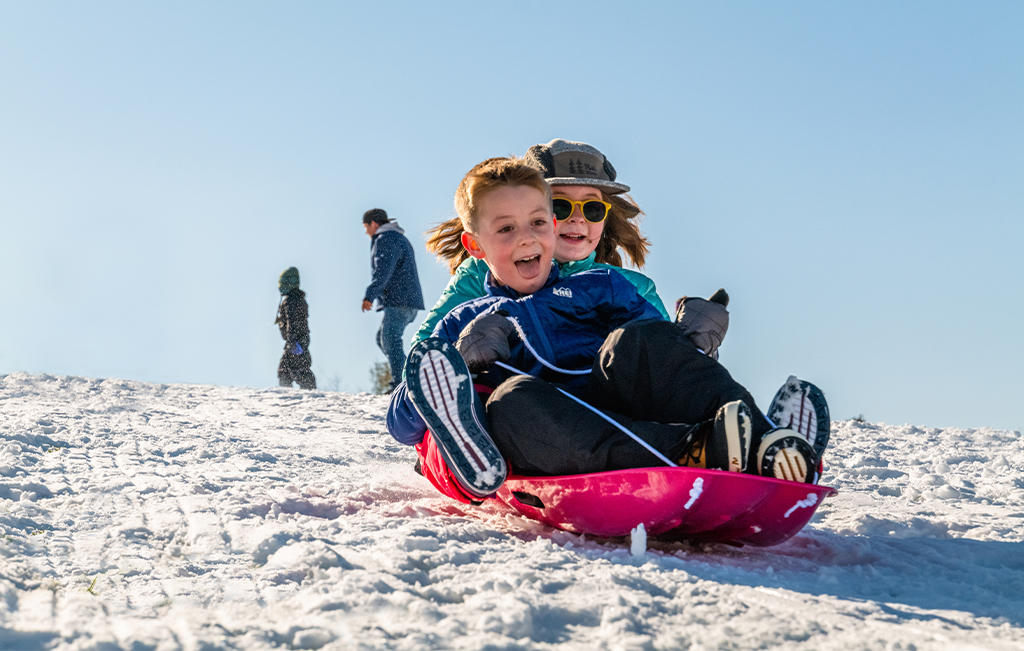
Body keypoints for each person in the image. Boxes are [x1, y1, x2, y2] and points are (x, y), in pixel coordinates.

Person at [387, 157, 830, 503]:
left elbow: (656, 358)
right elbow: (403, 420)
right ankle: (695, 450)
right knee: (510, 403)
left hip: (617, 399)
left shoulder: (601, 285)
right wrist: (460, 362)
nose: (527, 238)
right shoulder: (463, 318)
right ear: (475, 246)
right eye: (506, 229)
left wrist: (691, 339)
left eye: (538, 223)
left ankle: (769, 438)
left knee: (637, 341)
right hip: (561, 434)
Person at [411, 139, 674, 350]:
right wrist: (466, 350)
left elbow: (668, 366)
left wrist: (691, 342)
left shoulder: (629, 288)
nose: (577, 218)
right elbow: (422, 356)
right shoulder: (483, 275)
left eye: (592, 209)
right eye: (560, 205)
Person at [362, 208, 425, 392]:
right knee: (383, 339)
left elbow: (383, 271)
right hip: (405, 299)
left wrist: (370, 295)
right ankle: (409, 375)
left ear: (374, 224)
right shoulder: (396, 237)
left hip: (400, 300)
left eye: (366, 227)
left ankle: (403, 382)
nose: (366, 232)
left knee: (389, 338)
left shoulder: (386, 239)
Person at [275, 266, 317, 390]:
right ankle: (292, 396)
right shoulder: (297, 299)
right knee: (288, 370)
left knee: (295, 369)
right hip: (299, 339)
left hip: (296, 341)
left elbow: (292, 322)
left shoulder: (291, 301)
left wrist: (292, 341)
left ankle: (310, 394)